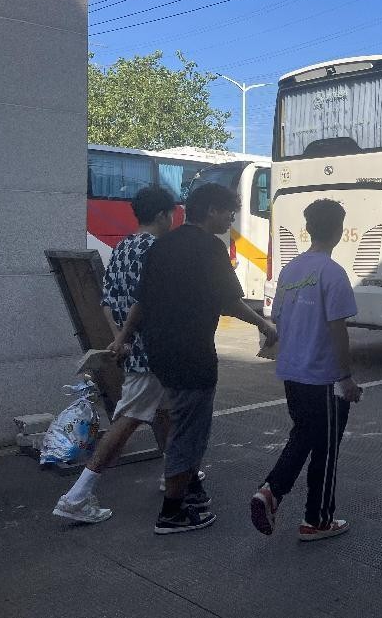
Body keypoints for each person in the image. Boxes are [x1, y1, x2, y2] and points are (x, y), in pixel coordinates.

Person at [111, 183, 278, 535]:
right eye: (229, 212)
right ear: (212, 210)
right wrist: (264, 324)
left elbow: (141, 301)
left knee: (180, 421)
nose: (231, 219)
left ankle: (190, 491)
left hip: (159, 351)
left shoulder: (162, 245)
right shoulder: (210, 248)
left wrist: (123, 338)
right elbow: (230, 302)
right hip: (192, 353)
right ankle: (172, 512)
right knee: (189, 431)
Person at [54, 186, 176, 524]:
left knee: (165, 412)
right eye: (172, 214)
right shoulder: (158, 249)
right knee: (128, 419)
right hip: (153, 349)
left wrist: (119, 338)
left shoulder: (122, 247)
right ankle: (77, 496)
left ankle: (175, 473)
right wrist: (128, 337)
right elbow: (147, 301)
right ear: (163, 214)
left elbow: (107, 300)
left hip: (134, 348)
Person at [250, 199, 362, 542]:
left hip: (292, 372)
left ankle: (273, 492)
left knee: (304, 435)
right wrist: (346, 377)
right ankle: (316, 519)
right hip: (323, 377)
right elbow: (338, 329)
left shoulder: (290, 270)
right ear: (339, 231)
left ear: (308, 229)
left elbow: (279, 318)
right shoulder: (333, 273)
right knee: (326, 449)